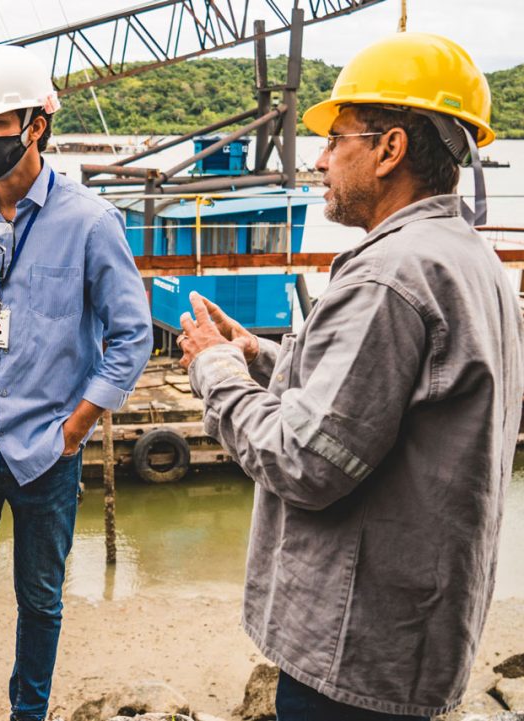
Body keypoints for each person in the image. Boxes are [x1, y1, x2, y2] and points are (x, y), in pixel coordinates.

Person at [175, 33, 523, 721]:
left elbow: (305, 458)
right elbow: (387, 405)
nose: (321, 158)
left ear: (391, 149)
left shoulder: (391, 274)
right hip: (413, 639)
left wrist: (214, 371)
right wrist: (260, 357)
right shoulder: (470, 259)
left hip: (353, 652)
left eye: (337, 140)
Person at [0, 45, 152, 721]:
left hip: (47, 451)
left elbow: (131, 334)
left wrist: (76, 426)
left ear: (34, 124)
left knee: (41, 600)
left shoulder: (90, 222)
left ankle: (28, 714)